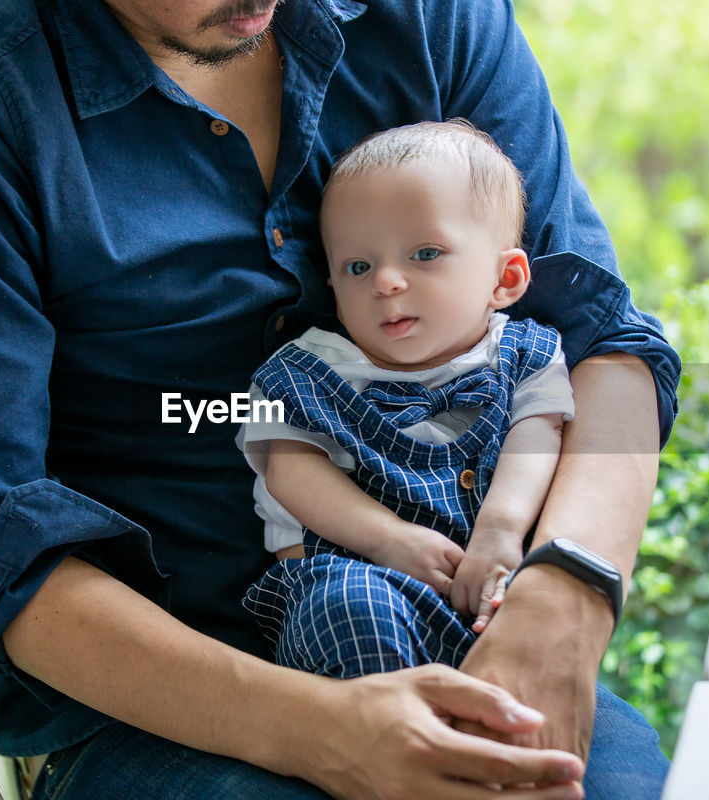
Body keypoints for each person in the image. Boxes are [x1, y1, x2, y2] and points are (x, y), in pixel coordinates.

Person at [0, 0, 681, 800]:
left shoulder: (431, 16)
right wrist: (324, 731)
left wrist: (568, 592)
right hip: (166, 707)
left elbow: (598, 338)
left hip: (465, 626)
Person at [240, 121, 573, 679]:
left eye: (425, 253)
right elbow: (290, 474)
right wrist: (390, 541)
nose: (387, 281)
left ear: (505, 278)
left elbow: (538, 434)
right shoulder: (307, 374)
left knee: (533, 625)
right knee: (354, 612)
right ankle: (382, 735)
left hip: (484, 576)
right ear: (335, 296)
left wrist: (499, 531)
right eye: (358, 267)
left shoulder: (525, 353)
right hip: (350, 582)